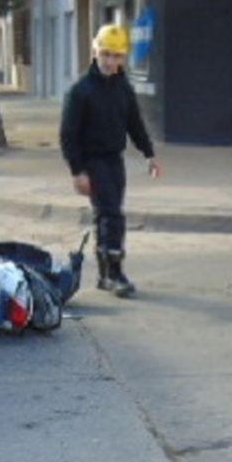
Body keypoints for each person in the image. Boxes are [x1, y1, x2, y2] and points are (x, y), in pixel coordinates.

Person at [59, 23, 162, 298]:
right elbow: (68, 135)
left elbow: (134, 123)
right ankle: (114, 273)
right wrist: (77, 171)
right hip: (92, 161)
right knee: (112, 216)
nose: (110, 61)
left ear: (122, 58)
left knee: (107, 215)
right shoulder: (81, 91)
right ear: (95, 52)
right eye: (105, 54)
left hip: (114, 161)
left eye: (116, 56)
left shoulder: (123, 88)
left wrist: (148, 153)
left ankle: (106, 274)